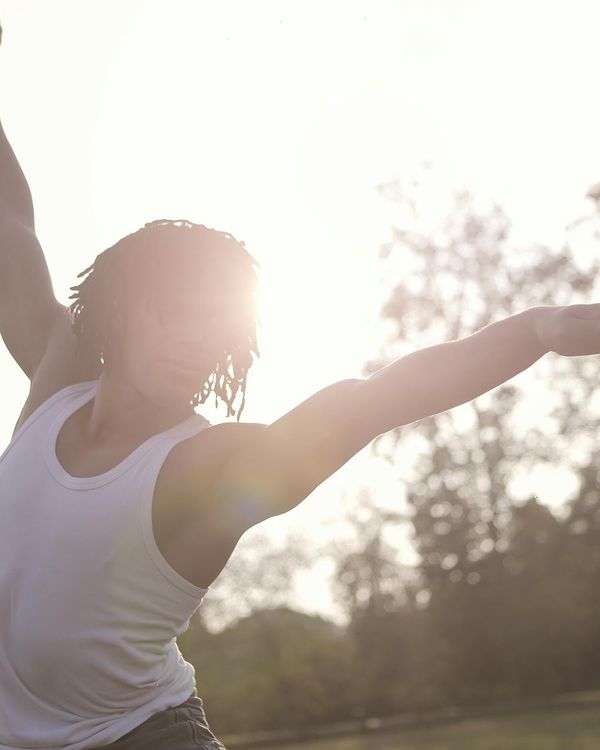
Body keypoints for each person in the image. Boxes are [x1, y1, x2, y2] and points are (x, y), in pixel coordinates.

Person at [2, 40, 600, 750]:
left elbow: (382, 396)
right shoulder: (57, 384)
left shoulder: (207, 470)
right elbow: (12, 230)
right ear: (120, 310)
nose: (197, 343)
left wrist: (537, 328)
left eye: (215, 328)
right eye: (176, 313)